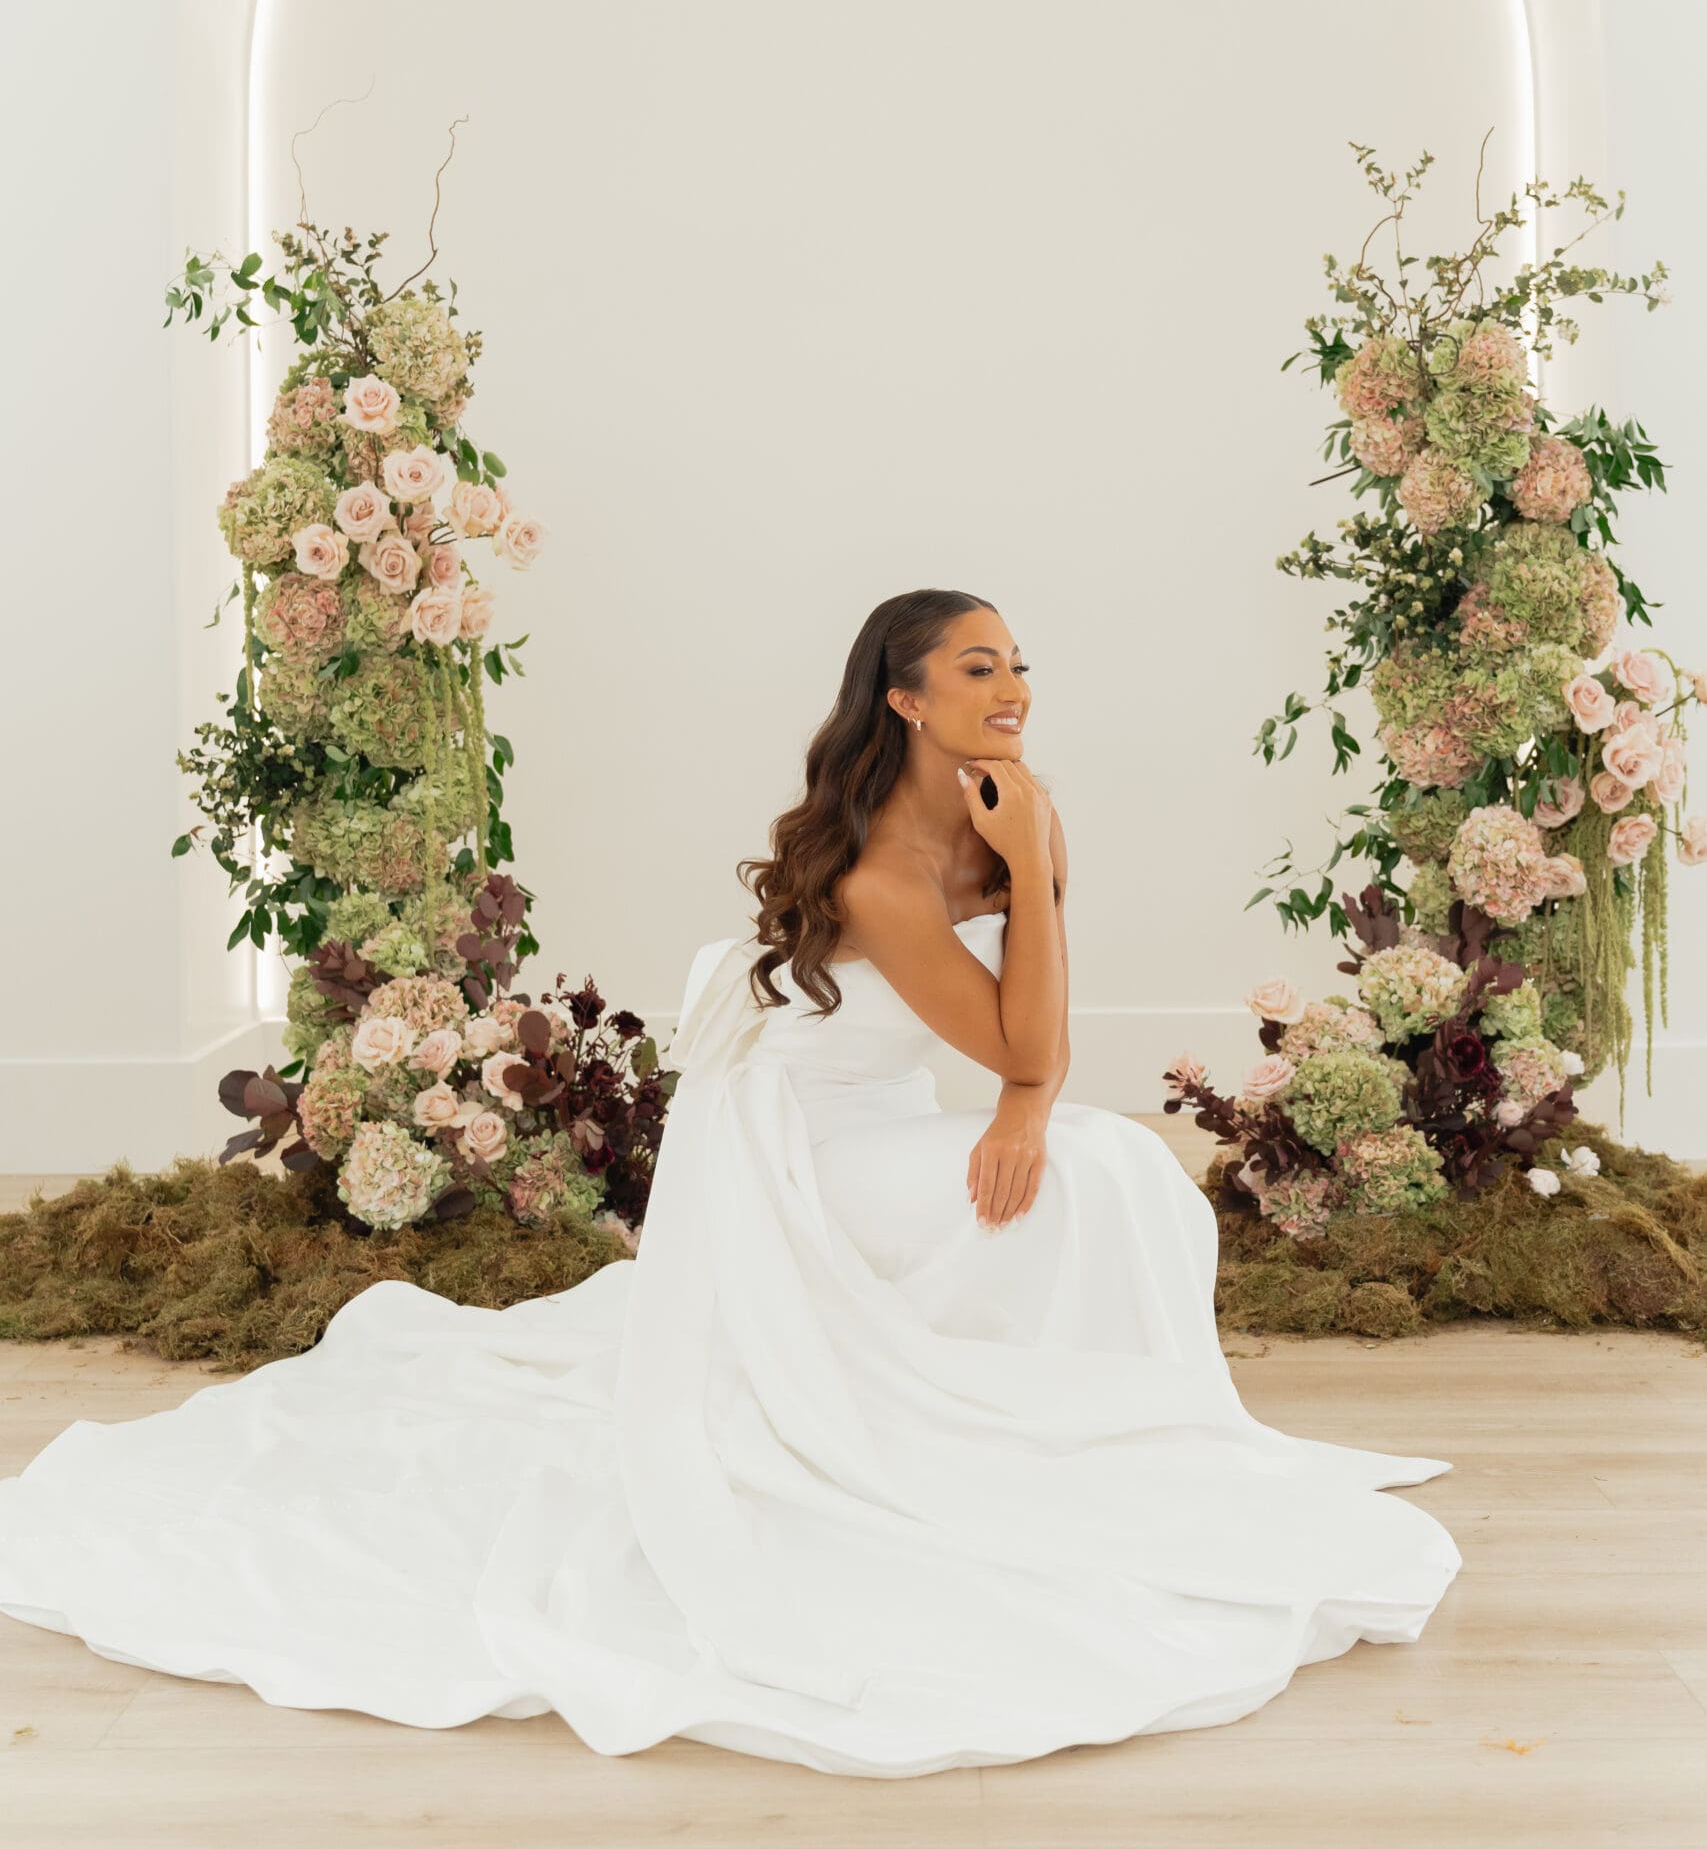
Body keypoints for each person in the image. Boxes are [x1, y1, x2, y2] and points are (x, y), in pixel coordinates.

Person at [0, 587, 1461, 1779]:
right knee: (1093, 1169)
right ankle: (1015, 1434)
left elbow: (1032, 1052)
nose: (1012, 689)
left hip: (894, 1117)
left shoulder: (1020, 805)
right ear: (905, 699)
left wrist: (1028, 989)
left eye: (1020, 664)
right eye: (977, 668)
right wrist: (1027, 1067)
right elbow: (1034, 1039)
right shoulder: (890, 872)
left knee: (1099, 1167)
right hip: (802, 1155)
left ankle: (1079, 1431)